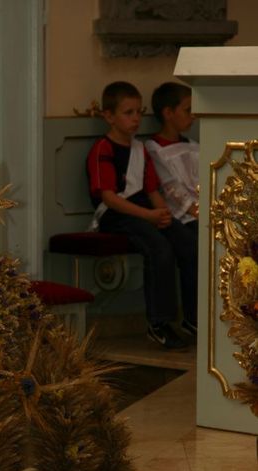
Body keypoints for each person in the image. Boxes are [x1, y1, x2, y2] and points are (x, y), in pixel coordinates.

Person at [86, 81, 197, 350]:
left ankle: (193, 317)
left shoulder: (140, 149)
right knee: (159, 248)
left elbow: (151, 189)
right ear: (109, 116)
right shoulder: (103, 148)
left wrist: (163, 215)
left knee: (188, 243)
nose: (136, 118)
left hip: (144, 211)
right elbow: (109, 197)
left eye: (139, 112)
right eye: (128, 113)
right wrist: (149, 216)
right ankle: (159, 323)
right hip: (116, 215)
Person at [146, 81, 199, 227]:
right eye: (188, 110)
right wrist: (197, 212)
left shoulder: (193, 146)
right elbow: (172, 188)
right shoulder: (155, 148)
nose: (193, 116)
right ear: (168, 113)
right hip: (182, 217)